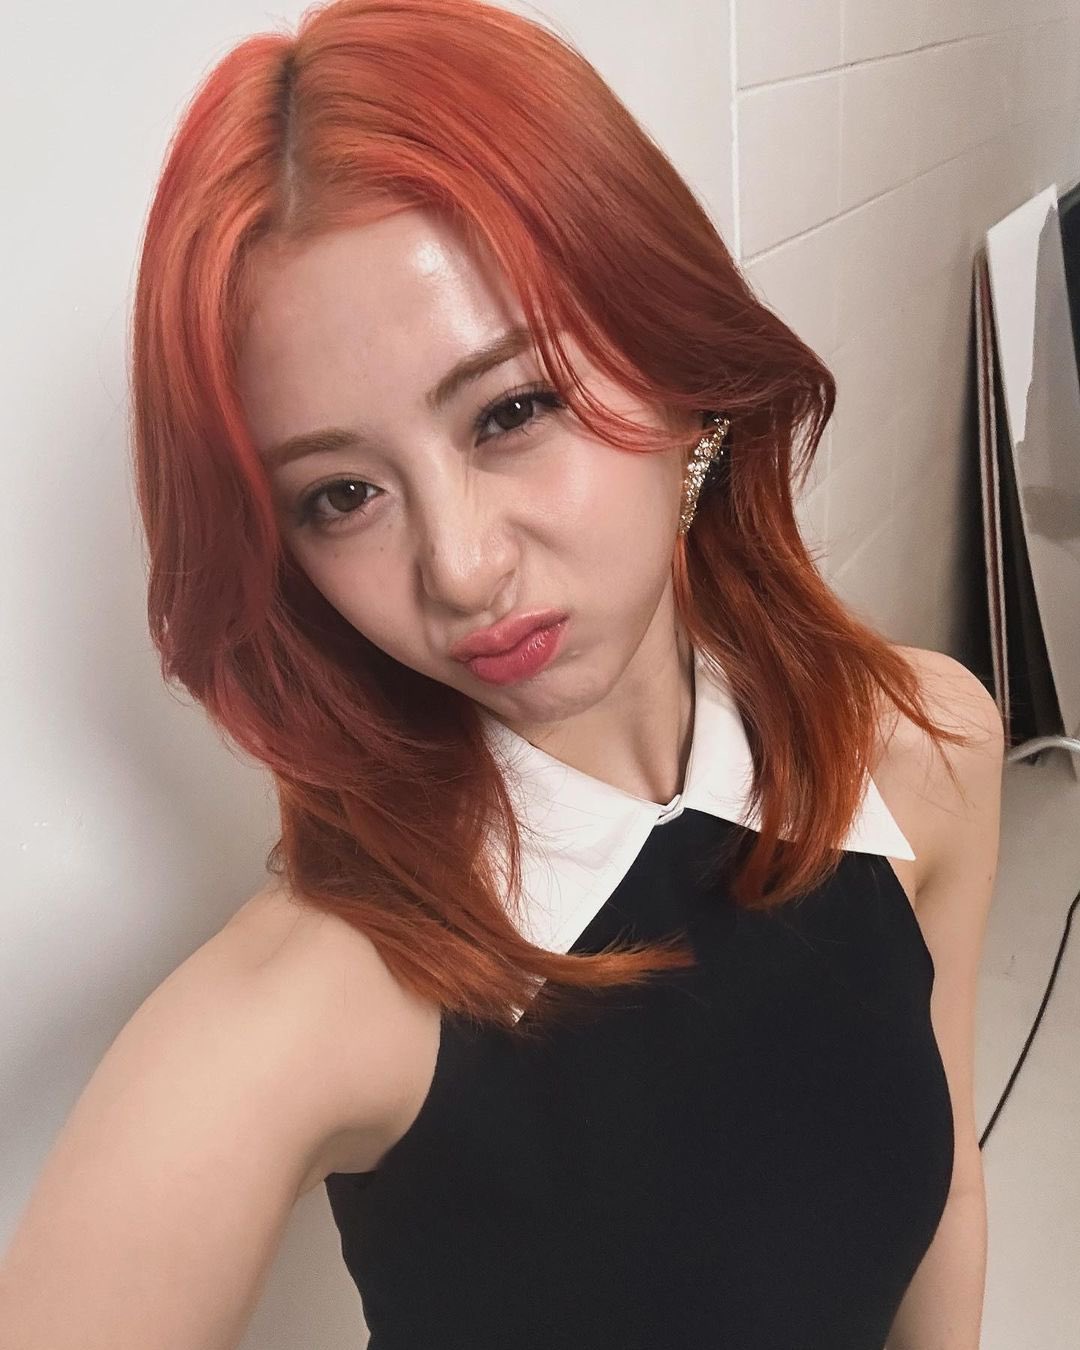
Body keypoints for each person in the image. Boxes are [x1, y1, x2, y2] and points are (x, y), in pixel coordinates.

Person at [0, 1, 1005, 1347]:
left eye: (512, 411)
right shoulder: (303, 1010)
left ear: (682, 371)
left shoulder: (925, 749)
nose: (461, 569)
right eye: (342, 494)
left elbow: (946, 1192)